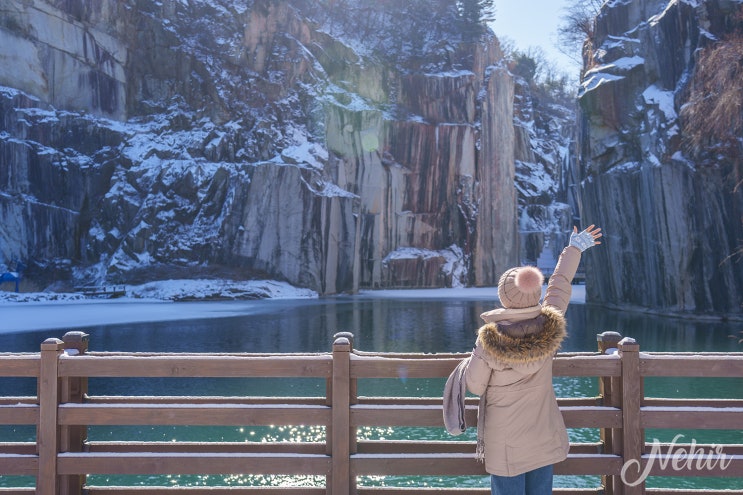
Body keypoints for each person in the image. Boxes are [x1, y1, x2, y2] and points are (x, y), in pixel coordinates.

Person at [464, 225, 602, 495]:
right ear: (535, 293)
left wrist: (476, 353)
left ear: (504, 297)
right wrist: (574, 249)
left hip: (505, 443)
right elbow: (559, 286)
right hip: (542, 436)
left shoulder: (489, 340)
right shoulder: (550, 327)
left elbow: (475, 386)